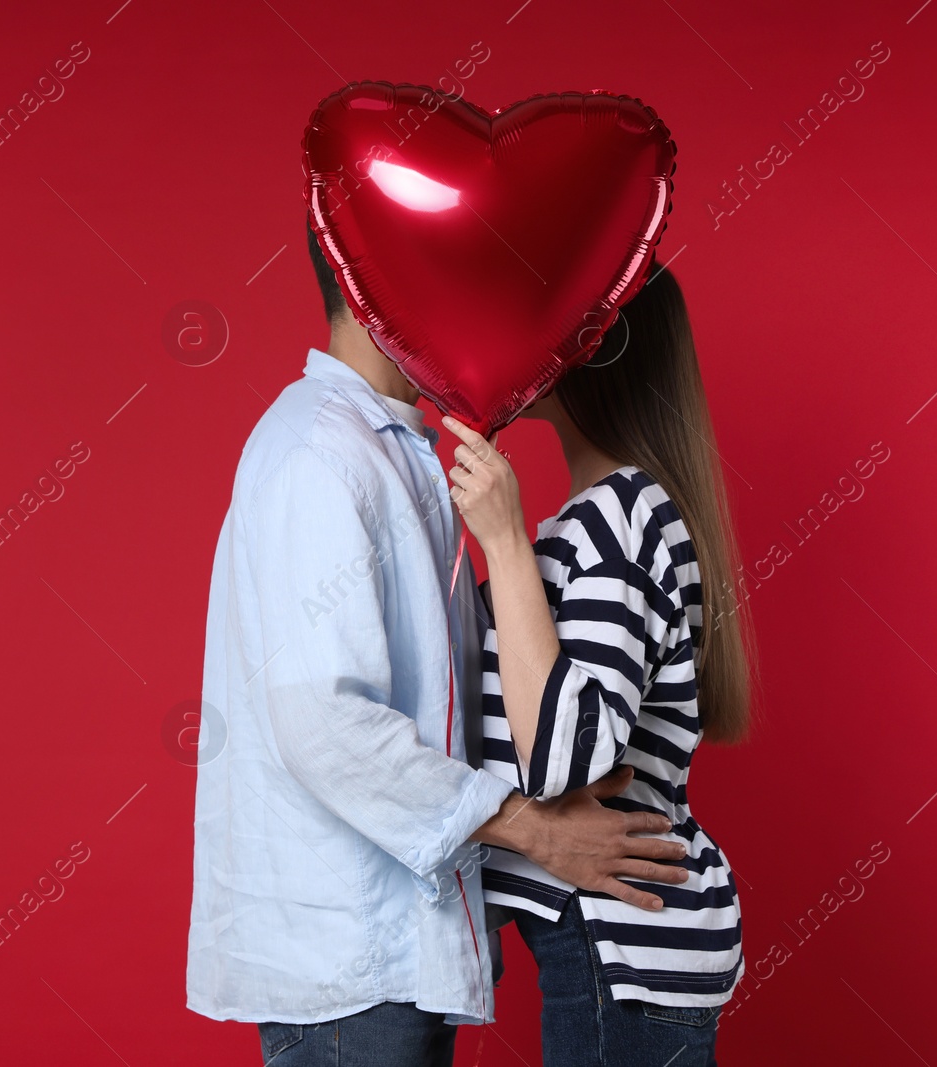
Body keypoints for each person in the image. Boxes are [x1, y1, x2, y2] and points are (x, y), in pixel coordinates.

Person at [186, 220, 694, 1067]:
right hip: (351, 964)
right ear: (367, 286)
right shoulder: (320, 454)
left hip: (398, 953)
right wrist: (535, 829)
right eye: (431, 276)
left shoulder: (403, 452)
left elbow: (467, 690)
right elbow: (323, 720)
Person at [443, 263, 757, 1067]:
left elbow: (564, 760)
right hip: (618, 954)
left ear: (601, 348)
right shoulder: (605, 519)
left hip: (619, 951)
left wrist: (504, 540)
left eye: (558, 324)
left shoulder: (622, 520)